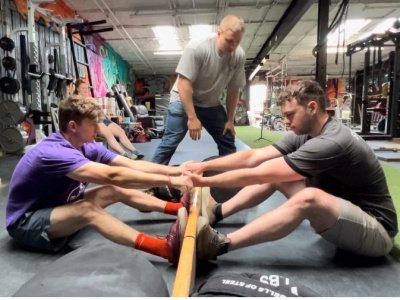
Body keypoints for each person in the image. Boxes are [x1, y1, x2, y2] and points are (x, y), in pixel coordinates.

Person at [185, 80, 397, 260]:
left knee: (308, 196)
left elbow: (259, 173)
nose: (286, 122)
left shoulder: (332, 141)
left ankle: (218, 245)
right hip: (343, 216)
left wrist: (203, 182)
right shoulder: (306, 133)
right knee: (278, 177)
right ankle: (217, 212)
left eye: (290, 115)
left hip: (376, 233)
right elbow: (254, 156)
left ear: (312, 107)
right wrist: (203, 167)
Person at [6, 97, 193, 266]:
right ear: (73, 126)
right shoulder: (54, 153)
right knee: (89, 210)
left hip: (56, 206)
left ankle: (179, 209)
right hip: (26, 223)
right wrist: (170, 181)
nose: (99, 129)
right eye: (93, 124)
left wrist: (176, 170)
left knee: (111, 190)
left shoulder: (87, 146)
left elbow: (129, 164)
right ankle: (165, 249)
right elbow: (114, 175)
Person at [152, 15, 246, 165]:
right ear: (219, 33)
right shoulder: (198, 47)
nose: (233, 46)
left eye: (237, 42)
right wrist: (192, 117)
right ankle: (152, 182)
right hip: (183, 100)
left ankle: (227, 181)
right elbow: (184, 83)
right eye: (229, 40)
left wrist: (230, 120)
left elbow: (234, 89)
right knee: (170, 141)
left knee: (227, 137)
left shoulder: (238, 55)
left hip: (210, 102)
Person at [74, 79, 144, 160]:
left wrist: (96, 106)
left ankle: (135, 151)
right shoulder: (76, 100)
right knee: (109, 134)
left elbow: (99, 111)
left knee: (120, 131)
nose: (85, 90)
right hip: (92, 121)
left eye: (86, 88)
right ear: (77, 89)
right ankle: (124, 155)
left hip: (102, 119)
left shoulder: (90, 98)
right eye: (83, 88)